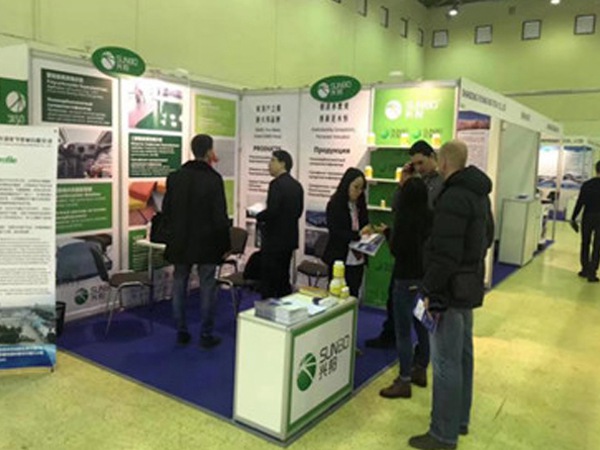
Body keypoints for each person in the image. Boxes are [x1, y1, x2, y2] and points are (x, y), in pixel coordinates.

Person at [409, 140, 494, 450]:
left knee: (445, 363)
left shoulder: (453, 196)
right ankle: (459, 420)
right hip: (467, 286)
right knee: (463, 356)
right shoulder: (479, 194)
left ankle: (443, 434)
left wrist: (429, 289)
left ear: (443, 162)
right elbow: (488, 237)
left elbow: (444, 253)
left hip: (447, 290)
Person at [366, 140, 443, 349]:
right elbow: (396, 207)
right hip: (408, 253)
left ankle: (422, 351)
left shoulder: (442, 184)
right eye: (414, 164)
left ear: (432, 157)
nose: (418, 167)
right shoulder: (414, 182)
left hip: (426, 254)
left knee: (420, 307)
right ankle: (391, 336)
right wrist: (403, 184)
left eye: (421, 162)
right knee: (394, 299)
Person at [162, 134, 231, 348]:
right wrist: (225, 245)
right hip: (207, 243)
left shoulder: (175, 177)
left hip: (180, 241)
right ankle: (206, 334)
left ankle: (181, 331)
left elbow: (167, 211)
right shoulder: (213, 179)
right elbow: (220, 216)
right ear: (209, 151)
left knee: (179, 283)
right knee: (207, 287)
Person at [379, 177, 433, 399]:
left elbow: (397, 249)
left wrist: (388, 234)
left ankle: (404, 380)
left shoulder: (404, 218)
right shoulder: (430, 217)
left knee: (403, 332)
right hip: (424, 279)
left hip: (404, 279)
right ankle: (421, 369)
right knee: (422, 325)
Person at [256, 150, 304, 298]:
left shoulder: (276, 184)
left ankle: (267, 309)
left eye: (273, 160)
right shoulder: (297, 185)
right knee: (283, 277)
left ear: (283, 164)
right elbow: (298, 212)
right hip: (288, 240)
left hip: (274, 240)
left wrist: (259, 216)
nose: (269, 164)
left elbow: (273, 212)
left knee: (269, 280)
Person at [323, 168, 372, 298]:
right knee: (337, 295)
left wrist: (368, 231)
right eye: (356, 187)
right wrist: (357, 234)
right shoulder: (335, 204)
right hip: (340, 257)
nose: (358, 191)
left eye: (361, 188)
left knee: (353, 294)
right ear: (347, 185)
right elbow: (335, 231)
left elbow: (365, 223)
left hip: (358, 258)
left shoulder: (360, 205)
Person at [570, 160, 600, 283]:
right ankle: (592, 273)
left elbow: (580, 202)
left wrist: (573, 217)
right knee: (597, 246)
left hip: (587, 217)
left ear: (596, 170)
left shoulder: (587, 185)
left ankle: (584, 269)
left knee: (585, 243)